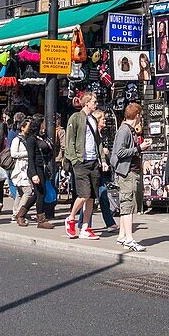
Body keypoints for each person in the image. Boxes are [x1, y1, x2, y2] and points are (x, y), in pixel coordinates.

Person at [64, 92, 104, 240]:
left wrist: (102, 159)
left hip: (93, 161)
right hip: (81, 161)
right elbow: (70, 140)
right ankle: (71, 218)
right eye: (94, 101)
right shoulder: (75, 118)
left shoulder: (93, 119)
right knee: (84, 194)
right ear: (86, 102)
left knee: (92, 197)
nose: (96, 104)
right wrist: (74, 160)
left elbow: (98, 141)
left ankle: (86, 227)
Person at [111, 102, 145, 251]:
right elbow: (120, 152)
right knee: (127, 205)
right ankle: (129, 239)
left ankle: (122, 236)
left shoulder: (128, 129)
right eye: (140, 115)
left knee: (127, 203)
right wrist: (139, 148)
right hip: (127, 173)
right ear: (137, 115)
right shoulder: (124, 130)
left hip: (130, 172)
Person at [11, 114, 55, 229]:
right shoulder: (31, 139)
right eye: (43, 123)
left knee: (37, 194)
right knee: (41, 193)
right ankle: (41, 220)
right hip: (35, 168)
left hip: (42, 168)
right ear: (39, 124)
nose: (45, 125)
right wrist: (34, 174)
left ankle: (21, 214)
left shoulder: (41, 137)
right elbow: (30, 158)